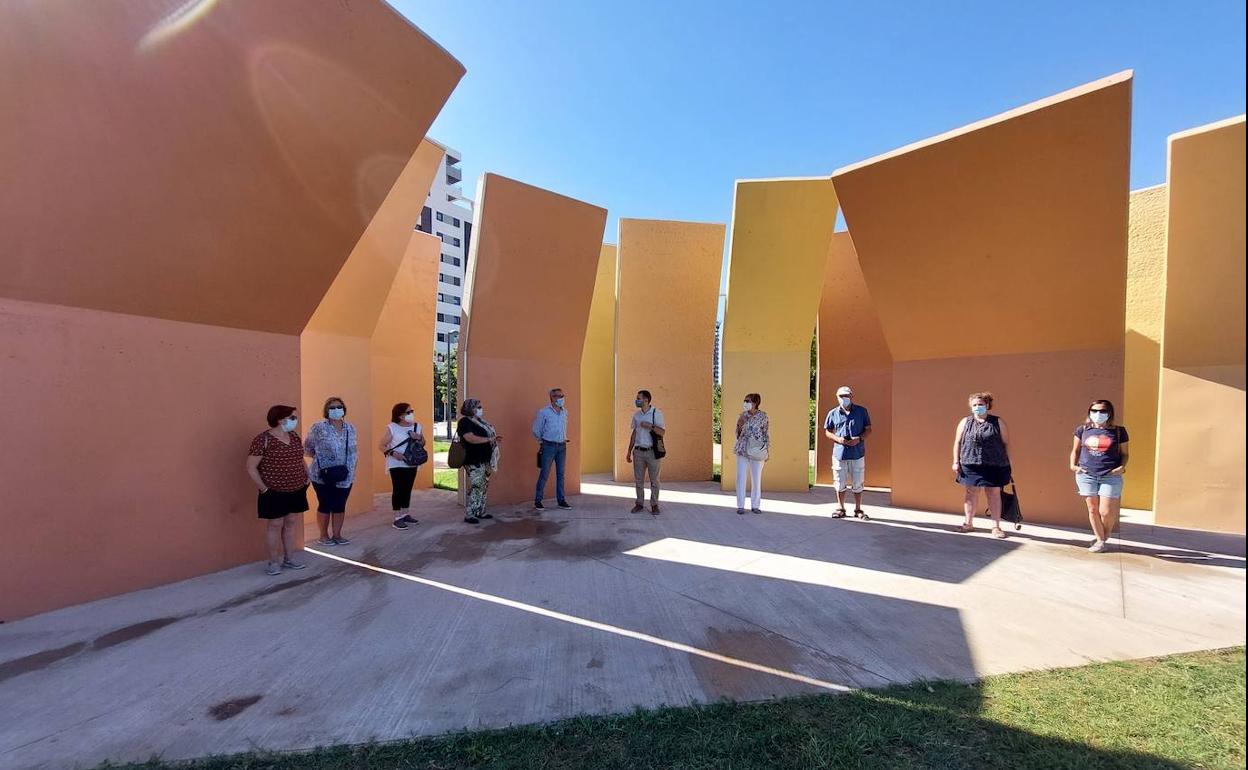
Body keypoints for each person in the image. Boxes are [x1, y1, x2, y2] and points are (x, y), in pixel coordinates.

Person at [245, 405, 309, 576]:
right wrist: (264, 489)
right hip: (273, 491)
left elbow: (299, 457)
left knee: (290, 523)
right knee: (275, 525)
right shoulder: (263, 440)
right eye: (292, 417)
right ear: (281, 420)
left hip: (296, 488)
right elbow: (251, 467)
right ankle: (273, 562)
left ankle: (289, 559)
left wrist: (307, 474)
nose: (295, 420)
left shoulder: (294, 436)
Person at [1070, 399, 1129, 553]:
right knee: (1092, 509)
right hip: (1086, 474)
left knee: (1106, 511)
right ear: (1089, 412)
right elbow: (1075, 450)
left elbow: (1125, 454)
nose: (1098, 414)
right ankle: (1100, 540)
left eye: (1102, 411)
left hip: (1110, 475)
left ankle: (1104, 535)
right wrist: (1073, 466)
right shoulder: (1082, 430)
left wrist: (1122, 467)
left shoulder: (1119, 431)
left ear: (1109, 413)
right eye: (1094, 411)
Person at [952, 392, 1012, 538]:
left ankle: (996, 527)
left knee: (993, 494)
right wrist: (955, 461)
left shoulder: (998, 422)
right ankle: (968, 523)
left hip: (994, 464)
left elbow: (1006, 444)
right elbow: (957, 442)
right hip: (970, 463)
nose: (977, 407)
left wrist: (1007, 463)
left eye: (980, 404)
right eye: (974, 405)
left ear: (987, 405)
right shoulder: (965, 422)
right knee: (971, 493)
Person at [305, 396, 358, 546]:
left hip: (345, 474)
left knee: (340, 504)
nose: (336, 410)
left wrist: (352, 471)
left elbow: (354, 451)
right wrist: (326, 460)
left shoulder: (351, 428)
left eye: (339, 407)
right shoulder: (318, 428)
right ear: (326, 411)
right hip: (323, 474)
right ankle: (323, 536)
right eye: (332, 407)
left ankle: (337, 535)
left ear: (344, 409)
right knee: (325, 503)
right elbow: (308, 449)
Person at [823, 385, 872, 519]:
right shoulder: (833, 413)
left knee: (858, 482)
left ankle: (858, 509)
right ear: (837, 397)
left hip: (857, 453)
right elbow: (827, 431)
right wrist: (838, 439)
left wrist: (859, 438)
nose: (844, 399)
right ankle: (840, 508)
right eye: (841, 396)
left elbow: (868, 429)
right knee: (839, 481)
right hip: (840, 453)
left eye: (847, 396)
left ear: (851, 396)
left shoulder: (862, 412)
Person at [380, 402, 424, 530]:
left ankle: (405, 513)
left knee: (407, 488)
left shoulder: (417, 426)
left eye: (412, 411)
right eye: (408, 412)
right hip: (397, 463)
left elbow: (423, 442)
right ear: (400, 415)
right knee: (398, 489)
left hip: (411, 462)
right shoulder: (392, 427)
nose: (411, 414)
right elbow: (381, 446)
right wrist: (393, 453)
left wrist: (418, 437)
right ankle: (397, 517)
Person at [458, 398, 500, 524]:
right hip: (473, 459)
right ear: (470, 409)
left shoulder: (481, 421)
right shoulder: (465, 422)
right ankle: (470, 513)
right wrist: (489, 440)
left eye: (480, 406)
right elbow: (470, 438)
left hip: (485, 458)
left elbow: (489, 435)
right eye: (478, 407)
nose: (480, 409)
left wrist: (493, 440)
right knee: (477, 485)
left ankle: (480, 511)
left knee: (484, 485)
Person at [626, 390, 665, 514]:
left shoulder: (656, 413)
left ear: (646, 400)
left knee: (655, 480)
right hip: (638, 452)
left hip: (652, 452)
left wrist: (650, 426)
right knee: (638, 480)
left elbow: (662, 432)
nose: (636, 400)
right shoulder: (636, 415)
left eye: (638, 398)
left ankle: (654, 505)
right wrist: (629, 451)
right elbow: (634, 433)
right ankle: (639, 503)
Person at [532, 387, 571, 511]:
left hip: (562, 446)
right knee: (544, 474)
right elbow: (536, 429)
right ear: (552, 398)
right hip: (548, 446)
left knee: (561, 474)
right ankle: (538, 500)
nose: (561, 398)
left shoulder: (565, 412)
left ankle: (561, 500)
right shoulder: (544, 412)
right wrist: (542, 441)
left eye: (562, 395)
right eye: (559, 396)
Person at [733, 393, 770, 514]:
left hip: (757, 450)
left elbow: (765, 433)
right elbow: (738, 435)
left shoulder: (763, 416)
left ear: (755, 403)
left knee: (756, 478)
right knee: (741, 477)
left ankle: (755, 505)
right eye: (744, 401)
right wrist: (740, 423)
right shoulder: (742, 415)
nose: (745, 403)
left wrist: (766, 451)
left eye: (747, 401)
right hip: (743, 449)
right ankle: (740, 505)